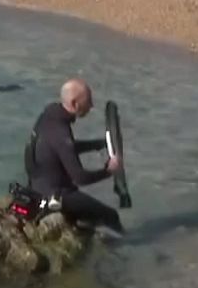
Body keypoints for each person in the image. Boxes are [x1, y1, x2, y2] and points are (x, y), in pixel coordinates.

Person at [24, 78, 124, 233]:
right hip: (56, 195)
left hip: (37, 187)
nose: (91, 105)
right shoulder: (61, 132)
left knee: (90, 219)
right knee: (111, 216)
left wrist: (97, 144)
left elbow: (62, 149)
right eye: (88, 101)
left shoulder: (49, 115)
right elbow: (80, 178)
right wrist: (109, 171)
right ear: (74, 103)